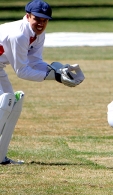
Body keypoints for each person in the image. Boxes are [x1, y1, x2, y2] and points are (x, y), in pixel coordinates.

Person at [0, 0, 84, 165]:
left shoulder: (38, 34)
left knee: (9, 103)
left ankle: (1, 157)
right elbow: (22, 71)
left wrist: (59, 72)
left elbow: (35, 61)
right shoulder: (19, 34)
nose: (41, 23)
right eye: (37, 19)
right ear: (28, 16)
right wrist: (54, 77)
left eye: (45, 20)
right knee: (4, 104)